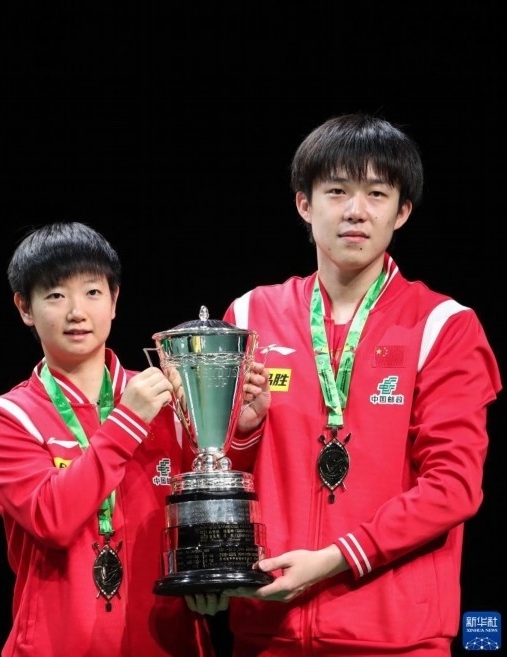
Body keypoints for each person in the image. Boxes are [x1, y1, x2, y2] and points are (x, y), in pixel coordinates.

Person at [211, 113, 502, 656]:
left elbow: (453, 486)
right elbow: (215, 467)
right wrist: (245, 434)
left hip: (398, 636)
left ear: (402, 212)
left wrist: (335, 558)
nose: (355, 211)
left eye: (377, 193)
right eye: (337, 191)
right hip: (269, 629)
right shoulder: (250, 316)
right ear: (305, 204)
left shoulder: (444, 326)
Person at [0, 221, 219, 657]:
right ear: (24, 307)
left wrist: (211, 576)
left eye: (92, 292)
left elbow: (211, 497)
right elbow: (52, 519)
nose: (77, 311)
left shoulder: (170, 399)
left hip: (168, 641)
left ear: (114, 300)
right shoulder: (7, 417)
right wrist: (129, 420)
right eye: (55, 295)